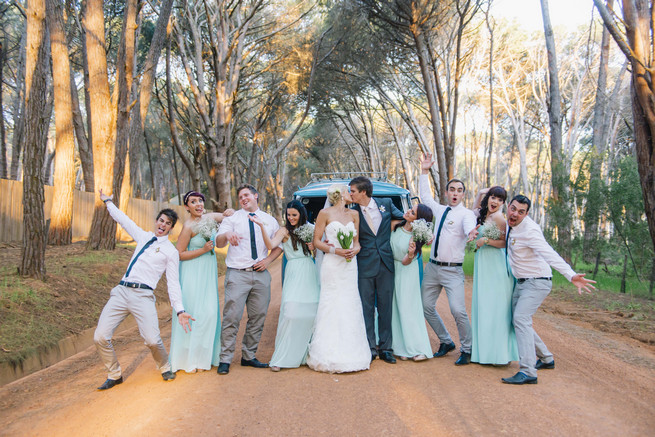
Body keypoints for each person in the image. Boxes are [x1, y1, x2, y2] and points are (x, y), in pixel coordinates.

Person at [94, 189, 194, 390]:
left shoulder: (170, 252)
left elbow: (173, 283)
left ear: (171, 229)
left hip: (143, 295)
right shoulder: (142, 236)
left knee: (151, 339)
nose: (162, 225)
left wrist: (180, 309)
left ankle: (164, 366)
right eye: (161, 220)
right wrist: (108, 202)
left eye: (167, 224)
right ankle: (114, 374)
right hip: (121, 292)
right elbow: (123, 220)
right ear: (156, 221)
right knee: (100, 337)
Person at [502, 195, 595, 385]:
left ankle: (528, 371)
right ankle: (546, 358)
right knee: (518, 321)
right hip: (521, 282)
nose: (515, 214)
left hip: (537, 282)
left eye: (521, 212)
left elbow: (549, 254)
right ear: (508, 207)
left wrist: (570, 275)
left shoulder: (530, 231)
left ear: (526, 214)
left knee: (520, 319)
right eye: (513, 209)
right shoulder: (509, 225)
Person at [214, 184, 282, 375]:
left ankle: (248, 356)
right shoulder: (233, 218)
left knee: (258, 317)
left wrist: (268, 260)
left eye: (246, 195)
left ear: (255, 196)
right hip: (237, 274)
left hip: (261, 276)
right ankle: (225, 359)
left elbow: (279, 245)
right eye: (240, 196)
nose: (243, 199)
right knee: (231, 317)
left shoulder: (269, 220)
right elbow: (219, 242)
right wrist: (227, 234)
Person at [419, 153, 477, 365]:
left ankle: (468, 348)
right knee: (425, 306)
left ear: (463, 195)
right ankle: (445, 341)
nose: (455, 193)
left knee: (458, 310)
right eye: (452, 189)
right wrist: (424, 171)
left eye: (459, 190)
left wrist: (471, 234)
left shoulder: (466, 214)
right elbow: (425, 198)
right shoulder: (440, 209)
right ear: (446, 192)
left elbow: (469, 227)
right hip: (433, 269)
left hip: (453, 271)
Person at [306, 184, 371, 373]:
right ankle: (327, 352)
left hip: (350, 265)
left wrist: (353, 251)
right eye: (348, 191)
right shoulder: (324, 213)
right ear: (341, 194)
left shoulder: (354, 215)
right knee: (332, 302)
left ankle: (353, 352)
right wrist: (337, 250)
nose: (351, 194)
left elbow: (357, 243)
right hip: (332, 264)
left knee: (349, 302)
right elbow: (317, 241)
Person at [250, 200, 320, 372]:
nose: (291, 218)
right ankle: (282, 357)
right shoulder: (284, 230)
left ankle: (305, 354)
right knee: (290, 312)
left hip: (309, 268)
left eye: (294, 215)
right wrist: (261, 227)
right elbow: (270, 245)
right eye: (288, 215)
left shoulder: (311, 228)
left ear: (301, 214)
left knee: (311, 312)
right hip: (294, 270)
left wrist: (314, 247)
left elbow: (318, 252)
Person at [169, 191, 233, 373]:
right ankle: (189, 359)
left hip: (207, 272)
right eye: (193, 202)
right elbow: (179, 254)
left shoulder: (210, 217)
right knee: (195, 312)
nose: (198, 204)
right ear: (187, 206)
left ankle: (205, 356)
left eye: (200, 201)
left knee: (210, 313)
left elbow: (227, 216)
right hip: (192, 273)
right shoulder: (188, 226)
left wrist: (230, 212)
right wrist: (203, 250)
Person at [348, 176, 405, 364]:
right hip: (364, 264)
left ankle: (386, 348)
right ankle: (370, 348)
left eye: (353, 191)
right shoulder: (352, 212)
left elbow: (403, 218)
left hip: (386, 264)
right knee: (366, 308)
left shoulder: (386, 203)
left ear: (363, 192)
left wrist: (395, 225)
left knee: (385, 307)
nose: (350, 194)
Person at [470, 186, 519, 365]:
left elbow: (505, 244)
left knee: (494, 309)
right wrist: (479, 193)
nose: (495, 202)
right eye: (492, 197)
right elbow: (473, 211)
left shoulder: (500, 218)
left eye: (499, 199)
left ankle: (498, 355)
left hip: (496, 267)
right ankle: (484, 353)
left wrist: (486, 241)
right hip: (484, 264)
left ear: (503, 203)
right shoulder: (484, 216)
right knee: (483, 307)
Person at [389, 204, 434, 361]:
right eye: (410, 209)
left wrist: (410, 253)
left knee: (408, 308)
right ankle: (400, 346)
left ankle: (418, 348)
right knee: (395, 307)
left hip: (406, 270)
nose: (408, 211)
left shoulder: (417, 236)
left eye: (412, 212)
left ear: (418, 219)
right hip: (391, 269)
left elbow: (406, 261)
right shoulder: (395, 225)